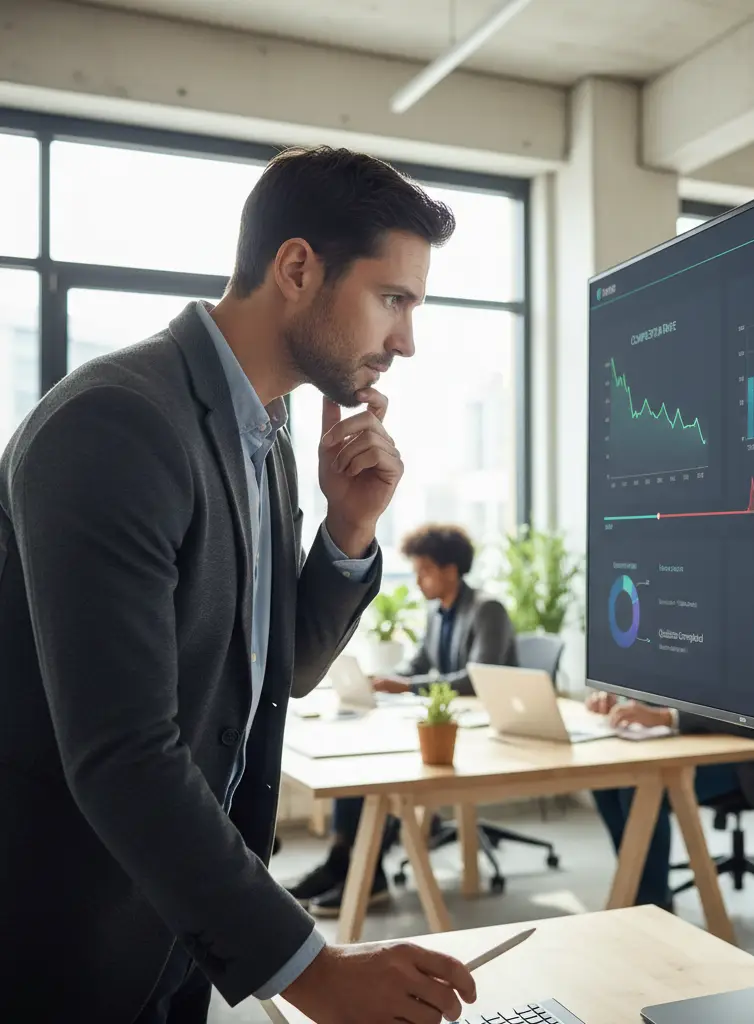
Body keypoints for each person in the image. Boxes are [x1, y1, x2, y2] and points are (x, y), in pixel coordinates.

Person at [0, 147, 477, 1024]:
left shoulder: (267, 435)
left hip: (175, 933)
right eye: (393, 299)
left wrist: (350, 528)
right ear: (298, 267)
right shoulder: (119, 424)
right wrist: (314, 970)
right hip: (67, 948)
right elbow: (124, 757)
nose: (406, 339)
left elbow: (271, 674)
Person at [287, 523, 516, 915]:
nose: (418, 579)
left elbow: (476, 678)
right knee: (359, 753)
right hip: (442, 724)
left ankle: (366, 872)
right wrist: (391, 681)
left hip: (482, 732)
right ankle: (343, 859)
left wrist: (408, 689)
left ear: (449, 569)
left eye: (424, 570)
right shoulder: (438, 611)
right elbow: (421, 665)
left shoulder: (485, 609)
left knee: (382, 769)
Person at [584, 693, 754, 911]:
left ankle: (653, 906)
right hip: (693, 738)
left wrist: (668, 717)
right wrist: (623, 703)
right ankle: (635, 887)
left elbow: (752, 713)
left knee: (643, 788)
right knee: (608, 781)